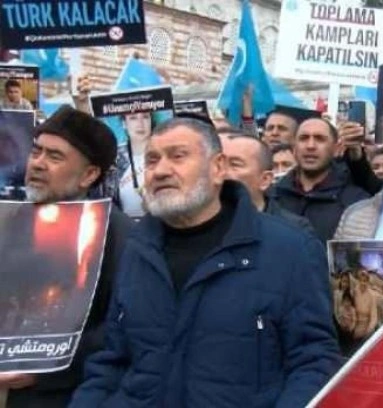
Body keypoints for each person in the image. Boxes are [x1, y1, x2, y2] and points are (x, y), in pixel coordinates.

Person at [69, 117, 340, 407]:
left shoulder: (289, 249)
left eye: (178, 156)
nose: (160, 170)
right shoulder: (137, 249)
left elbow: (313, 362)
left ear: (218, 168)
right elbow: (112, 360)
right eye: (151, 160)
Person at [0, 105, 132, 408]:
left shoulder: (117, 235)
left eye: (55, 157)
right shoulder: (9, 219)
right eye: (37, 152)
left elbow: (120, 326)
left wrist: (44, 369)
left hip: (60, 396)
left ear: (89, 174)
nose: (38, 164)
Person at [270, 117, 369, 242]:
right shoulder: (272, 196)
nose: (310, 146)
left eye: (320, 139)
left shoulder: (356, 202)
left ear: (336, 148)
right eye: (304, 138)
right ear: (294, 148)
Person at [219, 128, 315, 235]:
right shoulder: (202, 222)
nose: (222, 171)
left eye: (235, 164)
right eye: (218, 163)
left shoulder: (295, 230)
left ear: (265, 180)